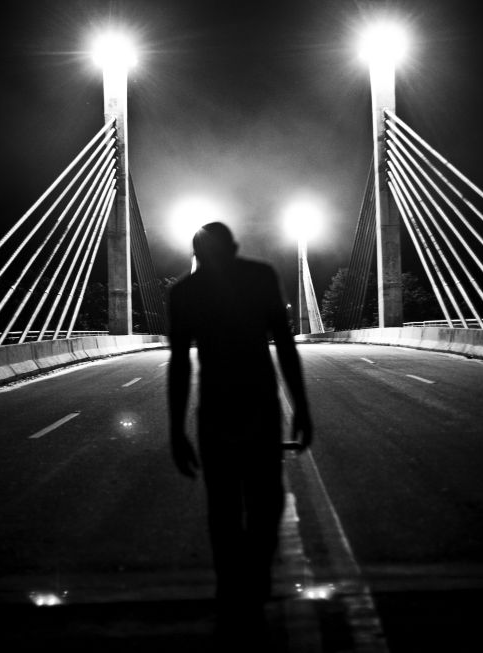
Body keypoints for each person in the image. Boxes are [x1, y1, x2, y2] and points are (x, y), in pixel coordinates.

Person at [167, 221, 313, 640]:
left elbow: (180, 364)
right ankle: (255, 575)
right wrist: (301, 407)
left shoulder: (185, 292)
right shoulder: (259, 276)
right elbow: (285, 344)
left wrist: (176, 429)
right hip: (260, 406)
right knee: (266, 500)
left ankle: (231, 586)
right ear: (234, 247)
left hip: (215, 411)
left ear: (196, 254)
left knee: (223, 507)